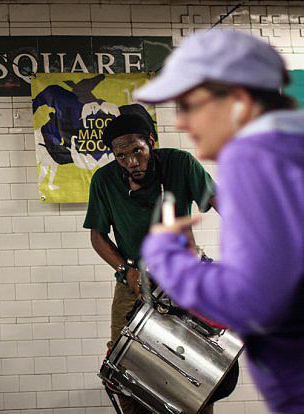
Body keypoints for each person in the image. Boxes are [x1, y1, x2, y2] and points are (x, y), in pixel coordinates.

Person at [136, 29, 304, 414]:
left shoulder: (254, 158)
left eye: (189, 105)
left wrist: (166, 257)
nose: (179, 122)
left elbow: (252, 300)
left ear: (239, 102)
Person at [83, 105, 220, 414]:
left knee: (194, 370)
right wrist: (125, 270)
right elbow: (97, 236)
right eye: (121, 156)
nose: (131, 162)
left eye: (137, 151)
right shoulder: (105, 181)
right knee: (125, 370)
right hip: (133, 281)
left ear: (151, 141)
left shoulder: (180, 164)